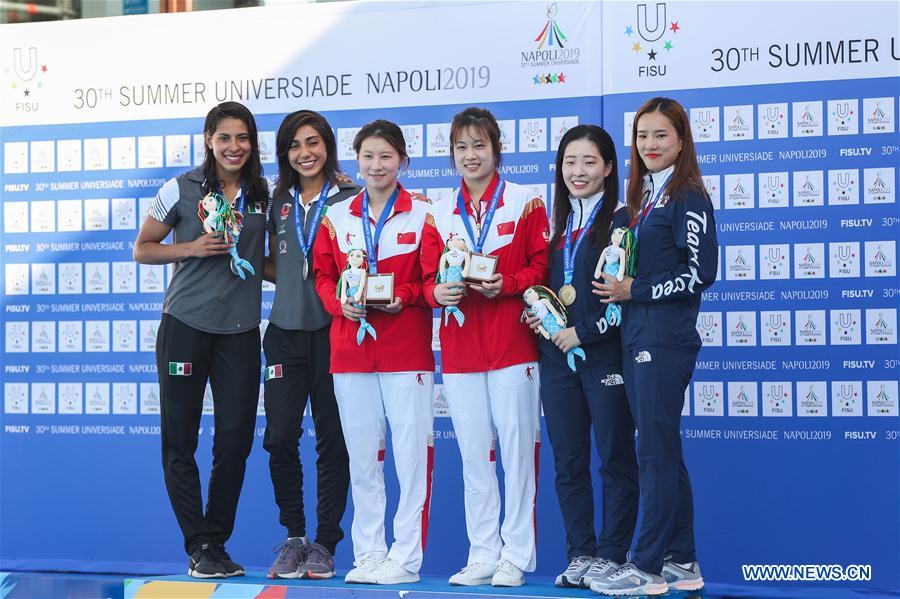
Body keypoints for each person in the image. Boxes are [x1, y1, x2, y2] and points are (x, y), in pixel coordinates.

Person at [133, 101, 268, 579]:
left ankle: (216, 539)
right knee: (180, 439)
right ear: (208, 139)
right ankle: (197, 545)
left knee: (234, 441)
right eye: (225, 137)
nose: (235, 147)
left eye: (243, 138)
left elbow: (264, 260)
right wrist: (190, 247)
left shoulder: (261, 193)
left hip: (240, 332)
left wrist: (313, 274)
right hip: (185, 327)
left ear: (253, 143)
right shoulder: (179, 188)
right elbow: (142, 248)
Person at [590, 97, 718, 596]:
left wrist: (634, 290)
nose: (650, 145)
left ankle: (645, 566)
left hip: (665, 341)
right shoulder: (639, 202)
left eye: (661, 135)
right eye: (643, 136)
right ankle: (681, 561)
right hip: (635, 337)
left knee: (655, 454)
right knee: (663, 451)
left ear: (681, 140)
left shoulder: (688, 195)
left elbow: (699, 272)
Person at [421, 107, 549, 587]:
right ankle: (482, 551)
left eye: (479, 145)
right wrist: (440, 292)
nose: (470, 155)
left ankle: (515, 554)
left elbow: (542, 269)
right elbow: (428, 275)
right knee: (475, 452)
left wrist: (508, 283)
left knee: (517, 451)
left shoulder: (525, 202)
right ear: (452, 154)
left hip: (513, 342)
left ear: (496, 148)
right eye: (461, 147)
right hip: (459, 347)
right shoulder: (438, 208)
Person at [312, 119, 435, 585]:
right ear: (357, 161)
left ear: (402, 160)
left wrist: (403, 293)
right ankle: (368, 554)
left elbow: (433, 280)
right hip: (350, 350)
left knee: (409, 457)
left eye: (386, 156)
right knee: (363, 459)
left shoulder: (423, 213)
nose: (377, 165)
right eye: (368, 156)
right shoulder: (337, 216)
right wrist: (336, 303)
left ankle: (404, 558)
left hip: (406, 350)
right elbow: (322, 275)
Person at [525, 125, 638, 589]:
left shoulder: (623, 222)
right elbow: (546, 288)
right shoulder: (554, 226)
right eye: (570, 162)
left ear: (608, 168)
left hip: (605, 356)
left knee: (614, 458)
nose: (578, 171)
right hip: (557, 360)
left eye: (589, 162)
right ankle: (580, 553)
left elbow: (624, 299)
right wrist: (538, 320)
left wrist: (583, 333)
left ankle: (612, 554)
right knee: (568, 461)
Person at [262, 110, 357, 580]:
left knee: (332, 440)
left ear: (328, 147)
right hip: (282, 334)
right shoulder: (274, 200)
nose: (305, 153)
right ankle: (295, 537)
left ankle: (325, 542)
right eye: (295, 145)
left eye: (313, 142)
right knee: (279, 437)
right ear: (285, 153)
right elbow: (260, 258)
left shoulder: (350, 197)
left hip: (332, 333)